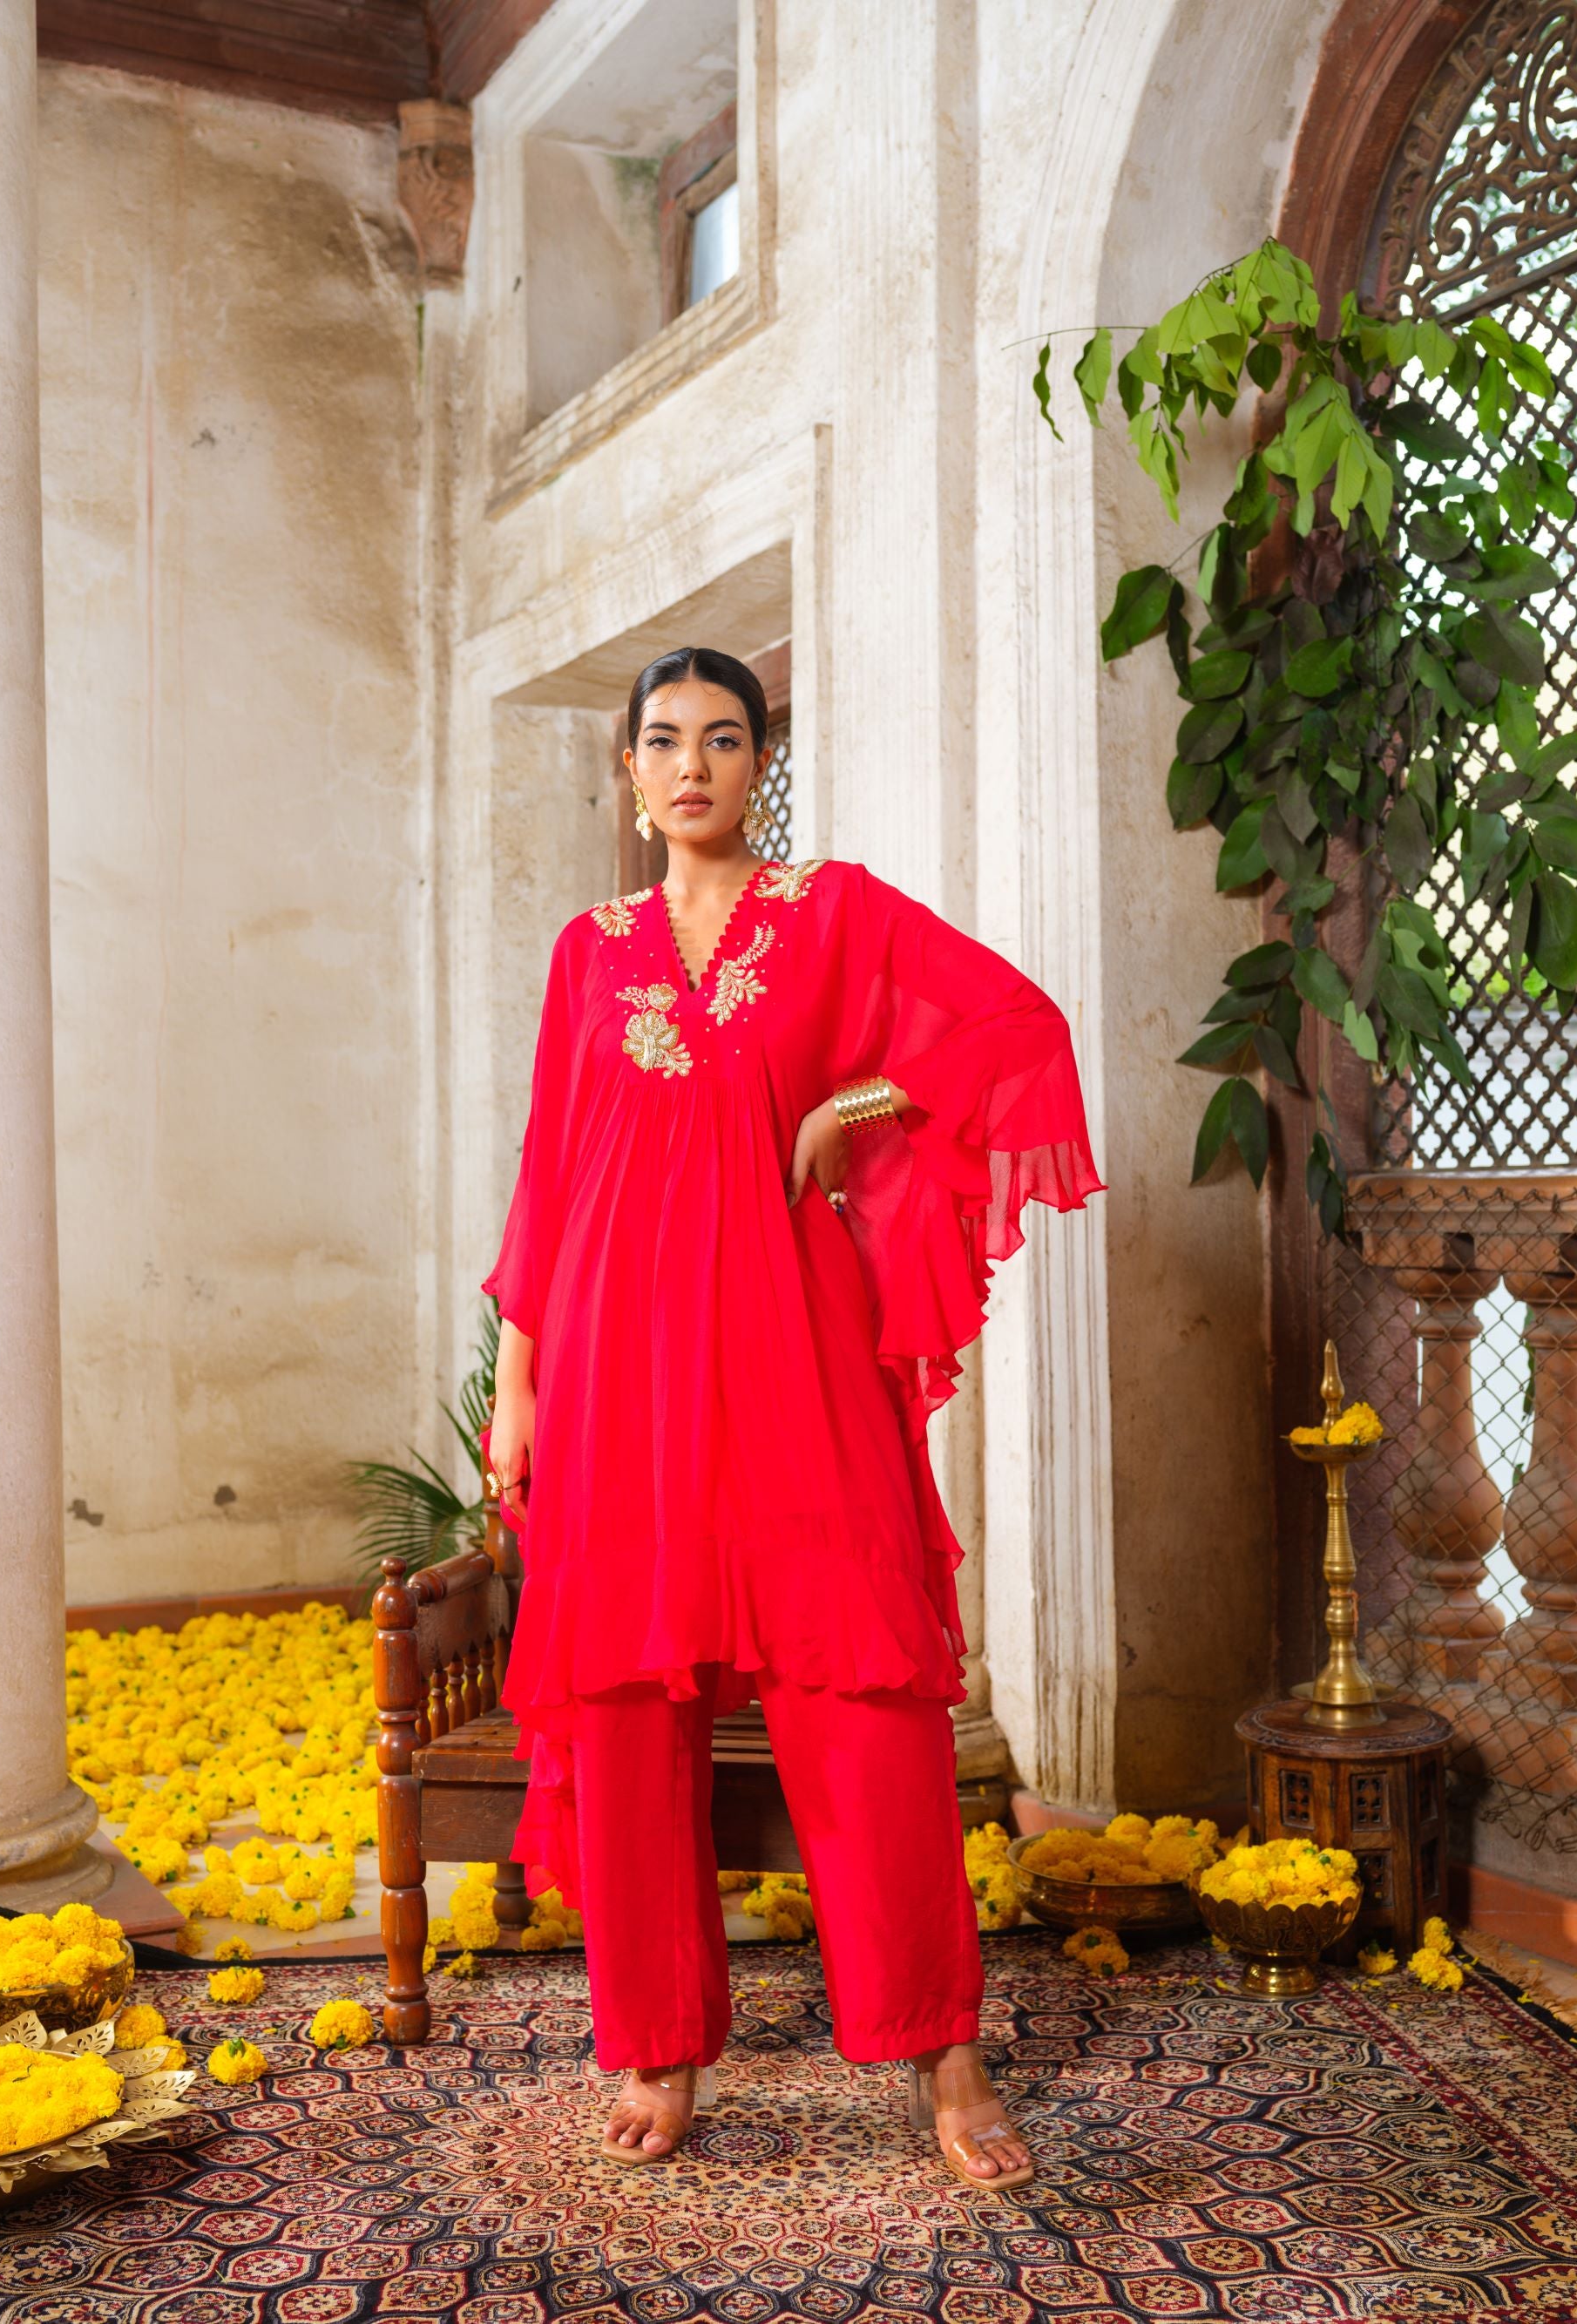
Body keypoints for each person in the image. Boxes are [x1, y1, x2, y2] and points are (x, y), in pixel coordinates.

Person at [484, 645, 1100, 2189]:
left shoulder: (829, 915)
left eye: (724, 738)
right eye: (663, 741)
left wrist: (851, 1114)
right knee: (629, 1706)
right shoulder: (588, 952)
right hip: (620, 1364)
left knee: (864, 1687)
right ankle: (660, 2046)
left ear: (761, 763)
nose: (692, 764)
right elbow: (551, 1175)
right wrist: (520, 1383)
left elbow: (1013, 1029)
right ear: (626, 772)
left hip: (791, 1340)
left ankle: (944, 2055)